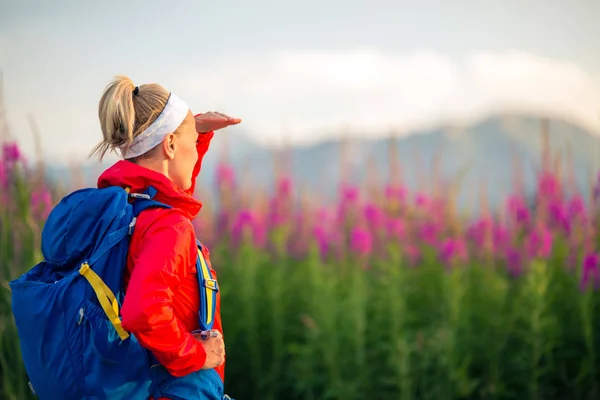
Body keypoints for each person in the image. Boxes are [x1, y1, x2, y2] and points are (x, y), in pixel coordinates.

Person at [92, 75, 240, 399]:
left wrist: (193, 133)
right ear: (170, 145)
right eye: (186, 142)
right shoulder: (169, 227)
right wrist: (199, 354)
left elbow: (171, 191)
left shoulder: (132, 207)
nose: (194, 151)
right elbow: (142, 311)